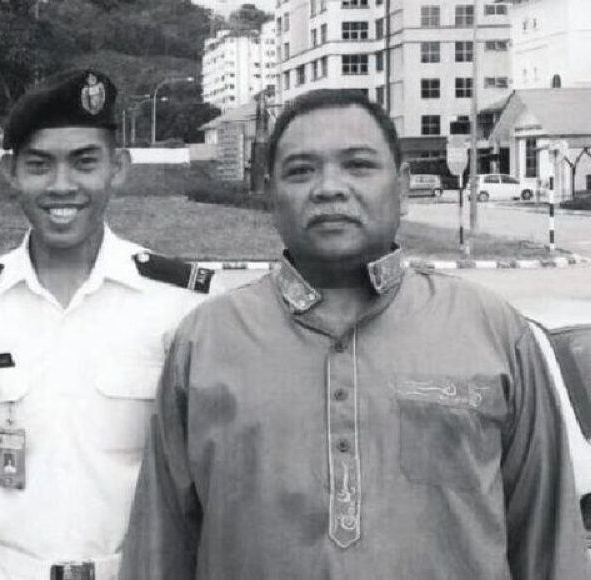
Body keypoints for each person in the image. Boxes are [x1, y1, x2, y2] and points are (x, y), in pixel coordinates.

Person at [119, 88, 590, 579]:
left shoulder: (493, 331)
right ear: (268, 194)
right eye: (301, 171)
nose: (329, 188)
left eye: (358, 166)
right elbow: (162, 543)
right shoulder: (205, 341)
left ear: (403, 188)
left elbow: (549, 539)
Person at [0, 69, 216, 580]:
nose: (62, 186)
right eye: (39, 165)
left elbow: (207, 477)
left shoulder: (180, 304)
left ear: (118, 167)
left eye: (85, 162)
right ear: (9, 171)